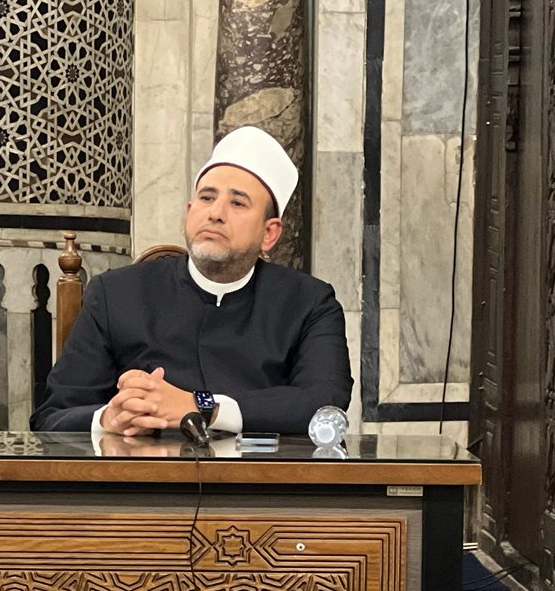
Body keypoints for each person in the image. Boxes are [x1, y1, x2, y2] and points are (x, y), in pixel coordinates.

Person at [31, 126, 352, 436]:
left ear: (269, 234)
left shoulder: (309, 303)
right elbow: (52, 417)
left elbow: (325, 401)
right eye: (206, 198)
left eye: (237, 203)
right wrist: (111, 418)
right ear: (189, 211)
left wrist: (201, 406)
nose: (215, 213)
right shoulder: (115, 294)